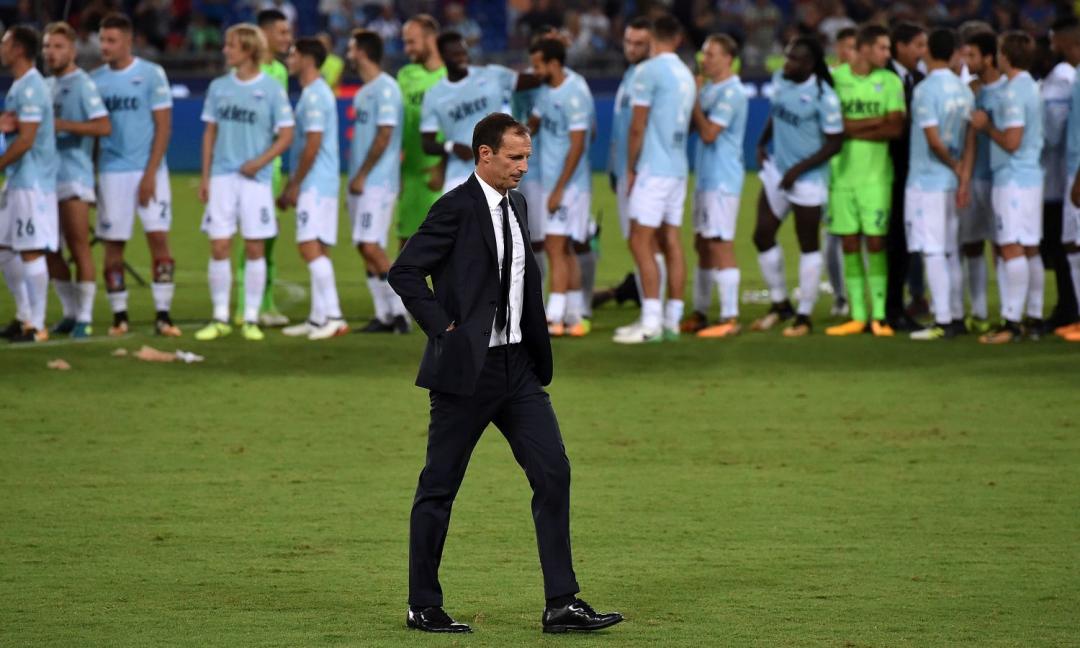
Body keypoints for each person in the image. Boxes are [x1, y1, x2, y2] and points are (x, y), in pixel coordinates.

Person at [387, 112, 622, 635]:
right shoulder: (453, 207)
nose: (523, 167)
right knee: (439, 487)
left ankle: (561, 602)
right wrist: (443, 329)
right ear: (485, 154)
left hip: (519, 370)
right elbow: (404, 271)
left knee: (553, 472)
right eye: (515, 157)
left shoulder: (517, 204)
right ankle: (422, 604)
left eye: (527, 158)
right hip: (467, 373)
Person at [194, 24, 294, 342]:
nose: (225, 50)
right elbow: (209, 133)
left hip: (256, 181)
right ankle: (220, 317)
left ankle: (250, 318)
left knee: (254, 247)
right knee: (219, 245)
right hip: (223, 177)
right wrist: (206, 177)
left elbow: (286, 135)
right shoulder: (219, 87)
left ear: (249, 49)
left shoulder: (271, 89)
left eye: (231, 45)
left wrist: (260, 162)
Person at [749, 35, 843, 338]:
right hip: (778, 172)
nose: (786, 63)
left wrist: (799, 170)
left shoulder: (824, 96)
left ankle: (804, 315)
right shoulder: (781, 79)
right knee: (762, 234)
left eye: (793, 59)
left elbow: (835, 142)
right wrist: (762, 142)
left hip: (808, 180)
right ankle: (780, 305)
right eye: (787, 56)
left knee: (807, 244)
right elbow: (776, 113)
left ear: (809, 64)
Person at [91, 13, 178, 338]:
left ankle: (164, 315)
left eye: (111, 40)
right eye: (102, 39)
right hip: (111, 173)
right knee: (113, 245)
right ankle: (119, 317)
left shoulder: (152, 75)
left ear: (128, 41)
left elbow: (164, 127)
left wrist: (150, 174)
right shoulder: (95, 81)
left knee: (158, 239)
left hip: (149, 170)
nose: (105, 46)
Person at [613, 14, 695, 344]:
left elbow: (638, 126)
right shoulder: (686, 73)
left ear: (653, 39)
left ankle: (650, 324)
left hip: (653, 168)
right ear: (677, 38)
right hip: (677, 167)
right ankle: (671, 320)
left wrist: (631, 168)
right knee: (671, 240)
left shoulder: (649, 71)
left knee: (639, 240)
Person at [825, 24, 906, 337]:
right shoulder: (835, 80)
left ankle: (880, 315)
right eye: (882, 48)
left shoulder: (890, 81)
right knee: (848, 243)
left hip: (876, 177)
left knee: (875, 242)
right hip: (841, 175)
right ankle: (858, 315)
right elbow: (833, 126)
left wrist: (852, 128)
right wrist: (875, 122)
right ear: (864, 48)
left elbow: (895, 128)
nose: (887, 54)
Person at [972, 31, 1044, 344]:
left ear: (1005, 55)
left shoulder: (1014, 92)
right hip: (1030, 177)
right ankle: (1034, 318)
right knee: (1029, 247)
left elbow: (1012, 141)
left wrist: (986, 126)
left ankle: (1012, 323)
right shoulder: (1032, 86)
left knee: (1011, 247)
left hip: (1013, 178)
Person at [905, 28, 976, 341]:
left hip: (927, 182)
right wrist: (963, 175)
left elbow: (933, 141)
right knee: (950, 251)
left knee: (933, 252)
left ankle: (943, 319)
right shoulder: (964, 90)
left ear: (928, 51)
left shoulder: (925, 90)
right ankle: (956, 316)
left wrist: (953, 166)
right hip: (951, 182)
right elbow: (970, 138)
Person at [42, 21, 111, 339]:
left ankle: (85, 317)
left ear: (72, 51)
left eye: (58, 46)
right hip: (46, 178)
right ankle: (70, 312)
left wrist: (64, 125)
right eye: (47, 46)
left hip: (74, 176)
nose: (51, 52)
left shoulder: (83, 84)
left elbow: (103, 126)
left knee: (78, 244)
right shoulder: (44, 85)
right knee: (48, 248)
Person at [277, 37, 347, 340]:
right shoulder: (315, 92)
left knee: (308, 246)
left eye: (292, 54)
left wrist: (294, 184)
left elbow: (313, 144)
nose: (288, 59)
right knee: (320, 248)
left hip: (315, 184)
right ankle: (319, 318)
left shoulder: (315, 95)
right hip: (323, 181)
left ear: (307, 58)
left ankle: (334, 316)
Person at [344, 29, 410, 335]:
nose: (348, 54)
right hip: (362, 182)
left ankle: (401, 312)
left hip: (377, 182)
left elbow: (385, 135)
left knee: (371, 245)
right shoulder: (363, 93)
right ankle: (383, 315)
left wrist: (362, 174)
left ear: (362, 52)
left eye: (351, 48)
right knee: (364, 245)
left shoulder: (387, 89)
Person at [419, 31, 541, 196]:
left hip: (499, 173)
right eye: (455, 54)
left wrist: (554, 56)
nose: (462, 58)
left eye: (463, 52)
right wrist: (452, 146)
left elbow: (536, 80)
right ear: (443, 57)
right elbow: (427, 144)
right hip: (459, 176)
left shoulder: (492, 75)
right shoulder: (434, 95)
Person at [527, 37, 593, 337]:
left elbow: (578, 146)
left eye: (538, 65)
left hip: (570, 185)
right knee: (564, 249)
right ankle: (574, 317)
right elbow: (532, 125)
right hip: (553, 182)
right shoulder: (545, 92)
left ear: (554, 64)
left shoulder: (575, 93)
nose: (535, 71)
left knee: (554, 246)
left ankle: (552, 317)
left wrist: (558, 190)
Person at [232, 8, 293, 328]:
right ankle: (245, 306)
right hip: (249, 168)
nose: (288, 38)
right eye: (282, 32)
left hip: (272, 166)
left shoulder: (280, 71)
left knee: (268, 236)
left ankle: (266, 304)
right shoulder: (243, 73)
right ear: (264, 34)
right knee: (251, 237)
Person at [0, 25, 58, 343]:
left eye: (4, 43)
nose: (1, 48)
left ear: (19, 48)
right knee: (4, 248)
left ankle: (37, 325)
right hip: (17, 179)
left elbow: (26, 140)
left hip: (32, 182)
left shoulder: (32, 87)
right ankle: (23, 316)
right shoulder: (19, 86)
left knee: (31, 250)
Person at [692, 34, 750, 339]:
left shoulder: (732, 92)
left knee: (720, 242)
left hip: (723, 180)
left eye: (711, 54)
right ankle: (700, 312)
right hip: (706, 178)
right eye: (704, 53)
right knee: (702, 243)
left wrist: (693, 100)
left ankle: (730, 316)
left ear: (728, 59)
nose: (705, 59)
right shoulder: (710, 89)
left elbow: (709, 133)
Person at [606, 17, 651, 325]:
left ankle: (654, 310)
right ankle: (652, 306)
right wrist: (615, 169)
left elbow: (640, 129)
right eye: (628, 42)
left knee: (645, 242)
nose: (632, 48)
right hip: (625, 171)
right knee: (637, 242)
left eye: (639, 44)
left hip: (640, 172)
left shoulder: (648, 78)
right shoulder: (630, 76)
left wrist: (633, 169)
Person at [960, 30, 1004, 335]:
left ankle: (1009, 310)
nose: (966, 61)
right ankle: (978, 311)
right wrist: (965, 179)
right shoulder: (971, 92)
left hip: (1002, 178)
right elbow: (969, 140)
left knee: (1004, 246)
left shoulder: (1008, 90)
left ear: (988, 58)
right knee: (972, 244)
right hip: (976, 176)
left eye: (972, 55)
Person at [885, 22, 928, 331]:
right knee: (890, 241)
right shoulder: (883, 78)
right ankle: (889, 307)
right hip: (886, 169)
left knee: (906, 239)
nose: (922, 52)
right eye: (918, 45)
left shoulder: (921, 80)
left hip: (914, 173)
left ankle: (905, 302)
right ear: (900, 46)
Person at [1040, 19, 1080, 333]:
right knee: (1070, 244)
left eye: (1055, 39)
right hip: (1070, 168)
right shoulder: (1075, 75)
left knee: (1073, 243)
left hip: (1075, 172)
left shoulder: (1069, 76)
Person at [396, 15, 445, 247]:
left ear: (430, 39)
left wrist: (441, 167)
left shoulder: (450, 76)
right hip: (411, 177)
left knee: (444, 249)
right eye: (405, 42)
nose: (407, 49)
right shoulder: (405, 76)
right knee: (405, 248)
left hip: (441, 178)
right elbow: (400, 127)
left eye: (411, 42)